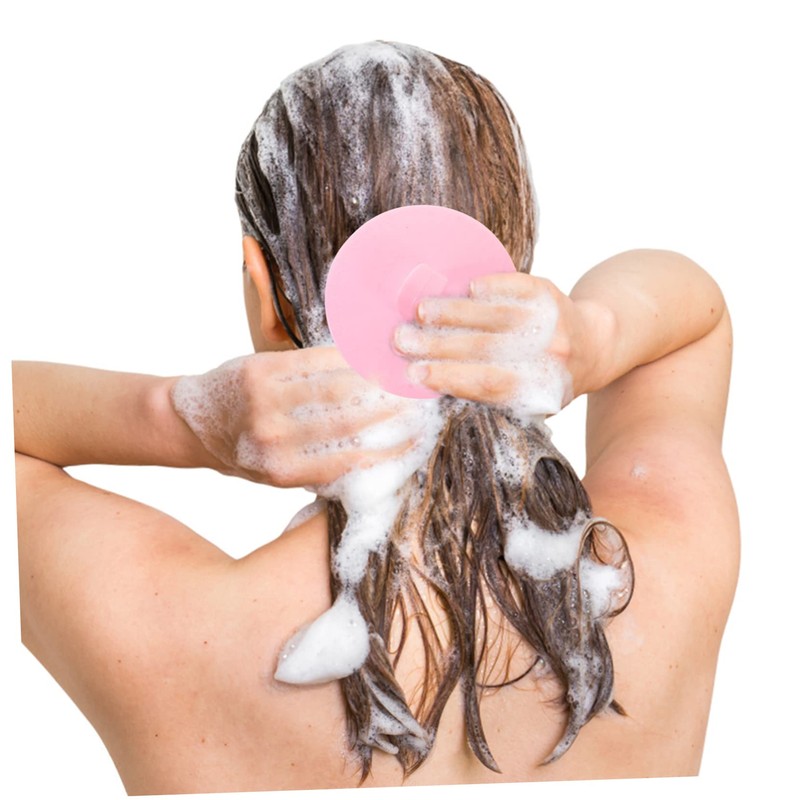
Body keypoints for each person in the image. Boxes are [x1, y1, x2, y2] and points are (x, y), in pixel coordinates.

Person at [13, 42, 738, 794]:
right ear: (508, 262)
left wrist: (178, 417)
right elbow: (695, 312)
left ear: (262, 288)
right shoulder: (656, 582)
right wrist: (597, 335)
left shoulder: (171, 630)